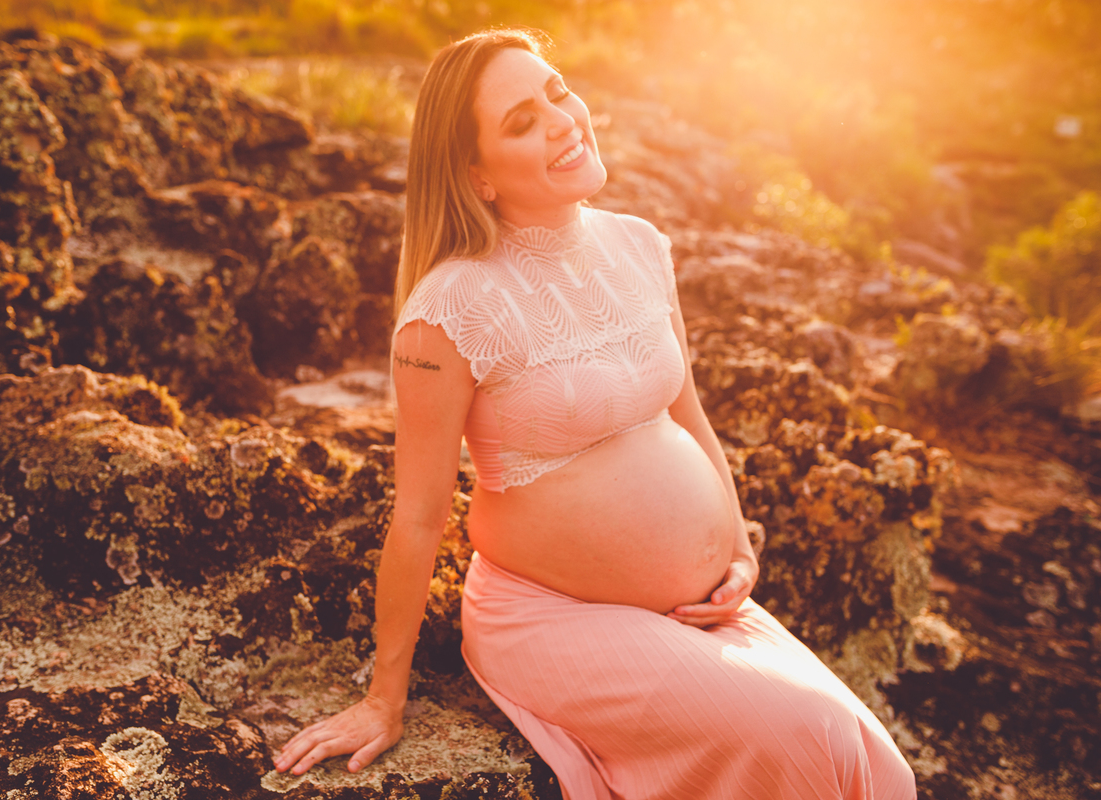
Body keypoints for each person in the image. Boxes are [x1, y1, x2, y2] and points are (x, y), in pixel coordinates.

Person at [273, 28, 917, 800]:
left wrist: (738, 546)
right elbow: (418, 514)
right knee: (816, 744)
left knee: (882, 771)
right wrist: (384, 699)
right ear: (475, 175)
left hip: (700, 607)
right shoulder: (449, 310)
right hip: (553, 619)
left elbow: (689, 416)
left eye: (556, 91)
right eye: (520, 121)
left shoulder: (641, 245)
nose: (560, 118)